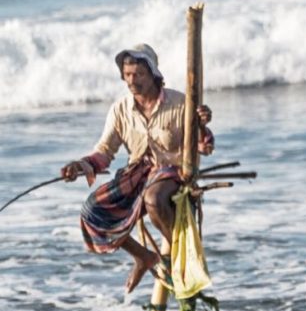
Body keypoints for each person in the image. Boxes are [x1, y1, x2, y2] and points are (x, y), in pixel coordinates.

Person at [60, 43, 213, 293]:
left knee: (153, 199)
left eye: (139, 74)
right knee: (92, 211)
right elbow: (104, 151)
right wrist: (81, 165)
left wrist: (202, 124)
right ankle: (144, 256)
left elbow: (203, 146)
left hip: (172, 172)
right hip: (137, 174)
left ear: (153, 74)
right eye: (128, 75)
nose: (132, 81)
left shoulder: (179, 103)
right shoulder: (121, 109)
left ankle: (177, 259)